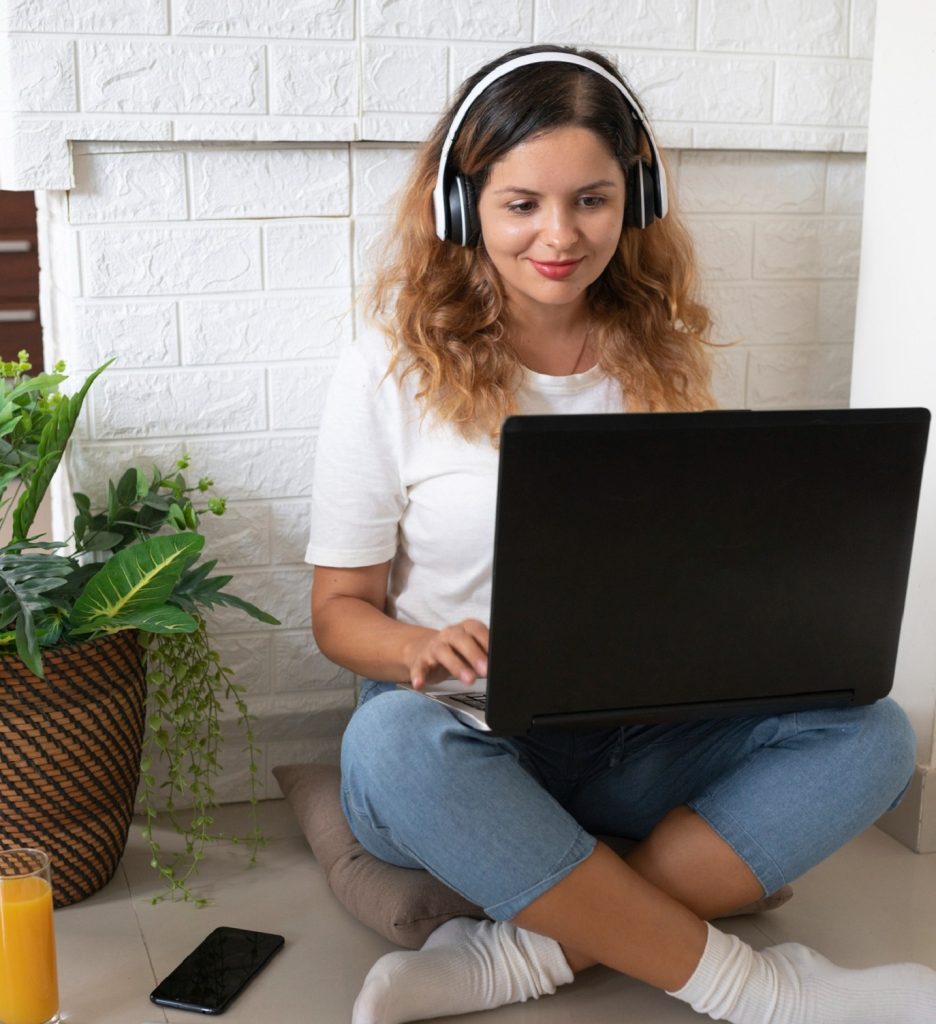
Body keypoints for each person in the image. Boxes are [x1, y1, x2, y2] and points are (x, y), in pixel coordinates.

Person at [307, 44, 936, 1024]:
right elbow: (337, 613)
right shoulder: (387, 368)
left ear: (634, 199)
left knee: (876, 735)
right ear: (461, 205)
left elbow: (688, 565)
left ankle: (522, 956)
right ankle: (757, 988)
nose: (559, 235)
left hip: (636, 745)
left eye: (591, 200)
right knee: (388, 738)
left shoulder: (661, 353)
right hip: (469, 747)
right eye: (522, 203)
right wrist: (415, 645)